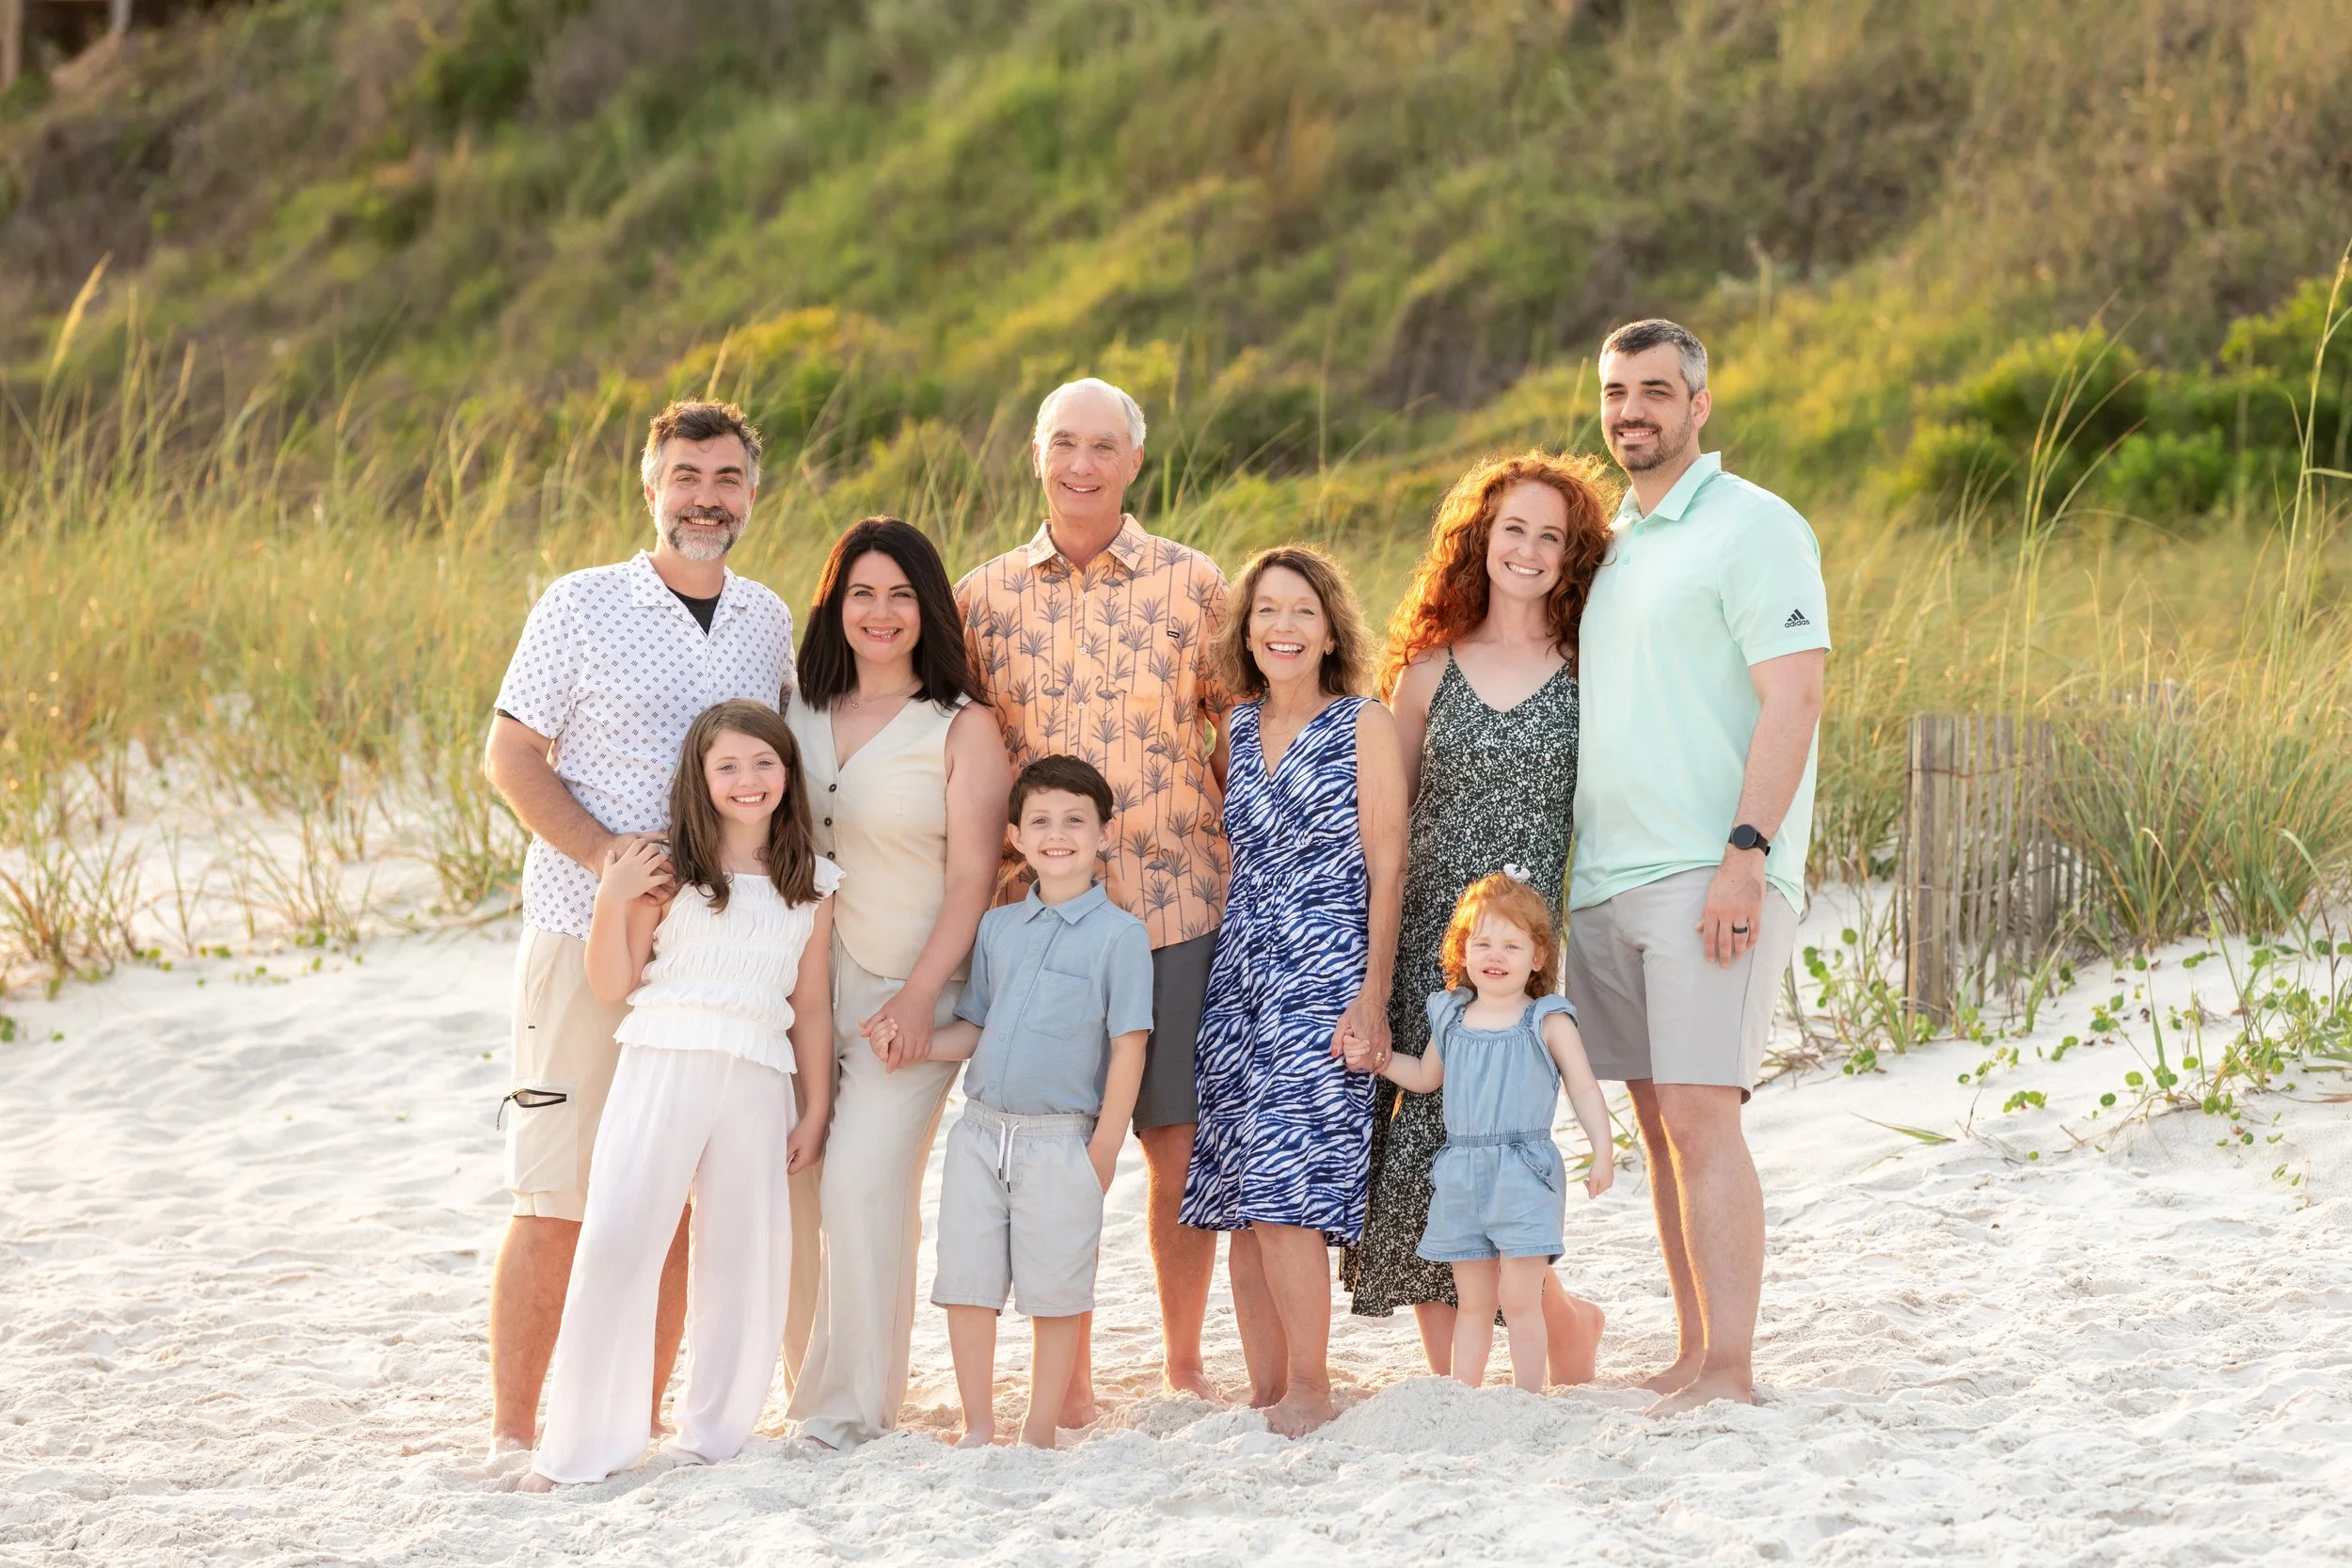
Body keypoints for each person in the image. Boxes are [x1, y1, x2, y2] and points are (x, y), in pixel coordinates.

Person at [484, 400, 795, 1453]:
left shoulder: (766, 618)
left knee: (663, 1197)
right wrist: (603, 855)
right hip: (582, 932)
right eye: (685, 476)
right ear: (649, 485)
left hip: (707, 964)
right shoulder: (580, 604)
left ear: (752, 492)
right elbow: (512, 753)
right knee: (560, 1193)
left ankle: (636, 1416)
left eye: (726, 479)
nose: (705, 498)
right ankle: (518, 1430)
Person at [1570, 319, 1830, 1416]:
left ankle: (1730, 1366)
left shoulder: (1753, 525)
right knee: (1657, 1118)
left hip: (1704, 869)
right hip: (1602, 877)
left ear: (1699, 405)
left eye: (1656, 391)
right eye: (1617, 391)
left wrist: (1744, 856)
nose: (1633, 410)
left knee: (1699, 1111)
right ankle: (1690, 1348)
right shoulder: (1613, 539)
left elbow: (1796, 693)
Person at [956, 377, 1230, 1416]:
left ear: (1133, 461)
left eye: (1102, 446)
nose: (1081, 463)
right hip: (1034, 919)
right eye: (1063, 443)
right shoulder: (983, 596)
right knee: (1045, 1139)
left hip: (1173, 902)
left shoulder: (1193, 585)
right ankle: (1059, 1374)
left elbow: (1234, 730)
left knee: (1173, 1139)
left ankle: (1180, 1356)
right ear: (1037, 455)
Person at [1343, 451, 1614, 1383]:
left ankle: (1568, 1324)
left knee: (1503, 1150)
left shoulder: (1590, 671)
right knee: (1423, 1151)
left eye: (1551, 534)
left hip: (1521, 955)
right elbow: (1383, 821)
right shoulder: (1424, 671)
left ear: (1572, 553)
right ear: (1481, 538)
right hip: (1431, 943)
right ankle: (1450, 1384)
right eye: (1514, 529)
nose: (1529, 549)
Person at [522, 702, 835, 1488]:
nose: (747, 780)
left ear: (788, 773)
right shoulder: (667, 869)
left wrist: (818, 1105)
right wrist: (611, 893)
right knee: (619, 1237)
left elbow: (815, 1006)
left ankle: (712, 1435)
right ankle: (587, 1444)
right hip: (663, 1058)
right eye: (726, 766)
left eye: (763, 763)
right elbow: (611, 982)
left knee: (742, 1254)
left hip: (759, 1072)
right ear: (700, 778)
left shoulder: (813, 882)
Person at [783, 517, 1009, 1451]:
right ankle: (810, 1383)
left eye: (900, 595)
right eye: (861, 593)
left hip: (906, 993)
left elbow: (971, 878)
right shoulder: (793, 710)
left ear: (929, 609)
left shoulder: (961, 727)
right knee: (796, 1187)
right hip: (794, 992)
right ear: (836, 603)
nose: (879, 612)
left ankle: (851, 1408)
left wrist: (919, 998)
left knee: (864, 1183)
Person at [1179, 546, 1407, 1438]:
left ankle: (1314, 1385)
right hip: (1241, 973)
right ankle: (1269, 1391)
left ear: (1329, 629)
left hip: (1327, 969)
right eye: (1266, 610)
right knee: (1240, 1190)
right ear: (1246, 628)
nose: (1283, 626)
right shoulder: (1232, 729)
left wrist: (1375, 993)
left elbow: (1387, 866)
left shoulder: (1364, 724)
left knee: (1286, 1187)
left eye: (1302, 611)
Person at [877, 756, 1152, 1449]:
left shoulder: (1120, 936)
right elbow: (975, 1027)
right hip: (978, 1135)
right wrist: (914, 1041)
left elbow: (1129, 1046)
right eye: (1041, 821)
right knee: (967, 1281)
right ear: (1017, 835)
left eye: (1074, 821)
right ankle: (977, 1424)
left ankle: (1037, 1430)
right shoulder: (998, 929)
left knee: (1055, 1289)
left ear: (1102, 834)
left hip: (1063, 1141)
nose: (1057, 834)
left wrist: (1102, 1150)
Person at [1347, 872, 1613, 1393]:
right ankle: (1464, 1396)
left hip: (1525, 1171)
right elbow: (1426, 1078)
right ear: (1462, 949)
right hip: (1461, 1169)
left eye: (1512, 944)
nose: (1495, 955)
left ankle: (1526, 1398)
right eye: (1482, 942)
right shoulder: (1450, 1015)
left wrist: (1602, 1152)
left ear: (1537, 957)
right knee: (1471, 1300)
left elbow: (1584, 1089)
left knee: (1519, 1297)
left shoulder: (1547, 1019)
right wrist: (1377, 1060)